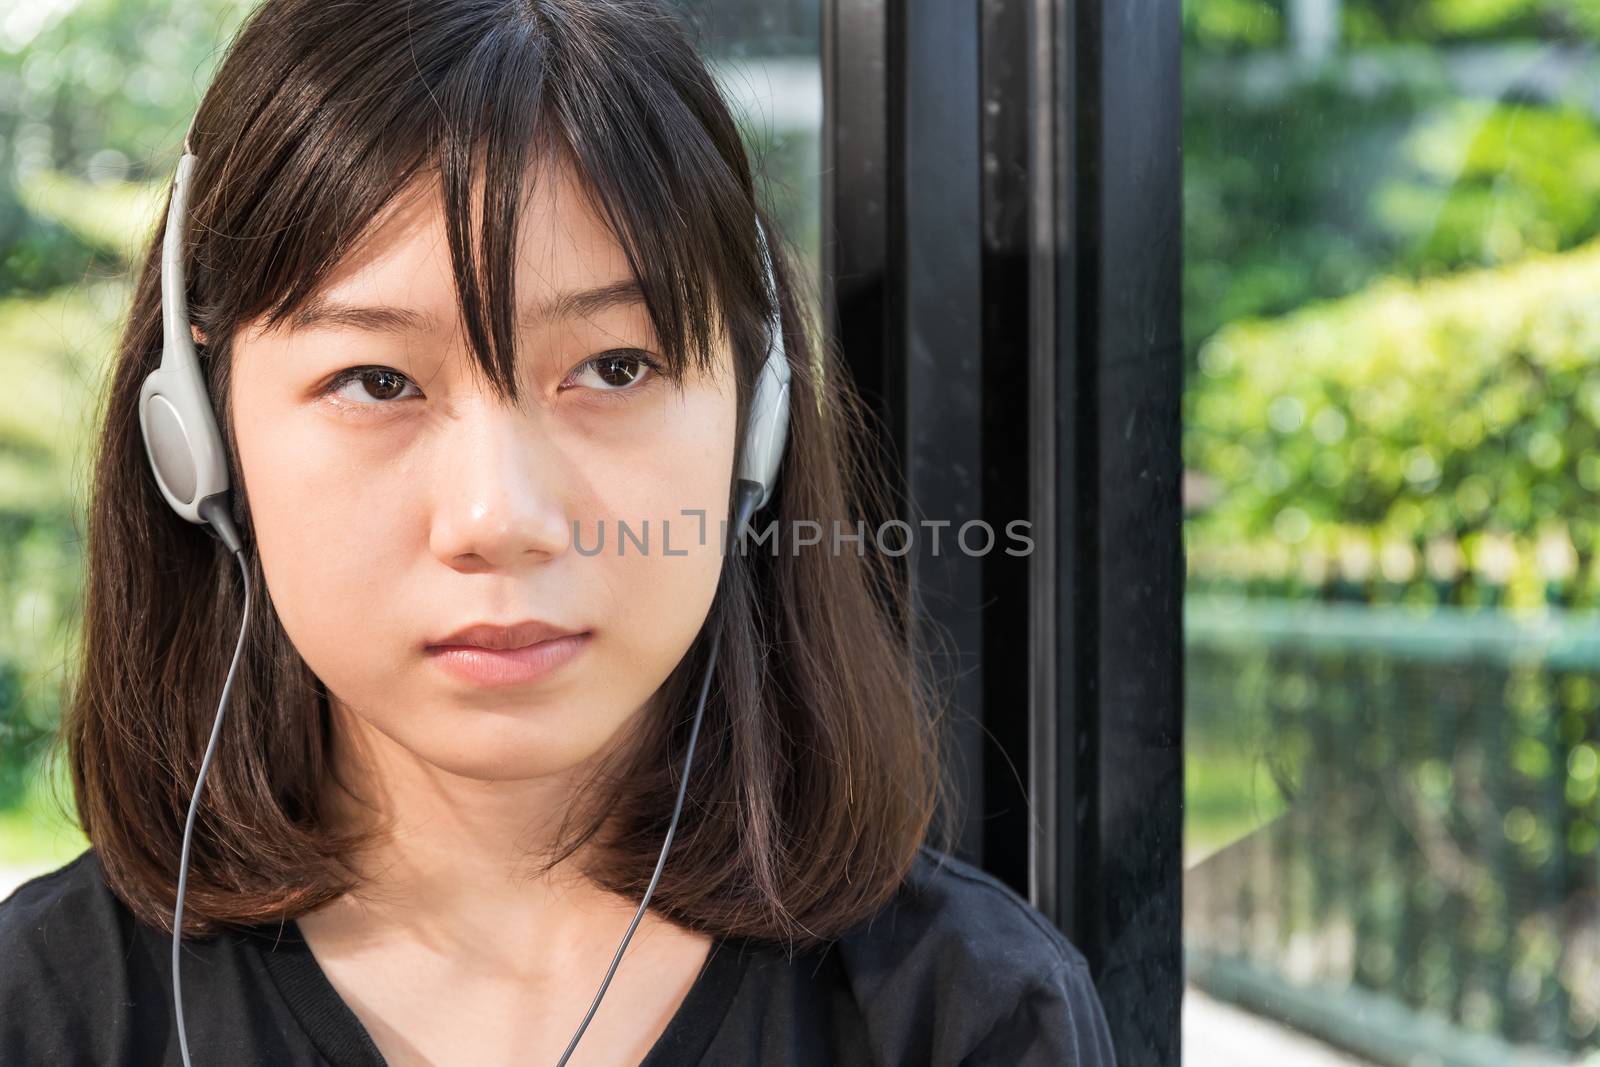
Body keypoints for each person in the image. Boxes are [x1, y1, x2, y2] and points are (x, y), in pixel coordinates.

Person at [0, 1, 1118, 1064]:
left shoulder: (966, 1013)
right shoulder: (43, 1012)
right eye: (377, 378)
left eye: (614, 367)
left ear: (757, 418)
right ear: (195, 434)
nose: (500, 519)